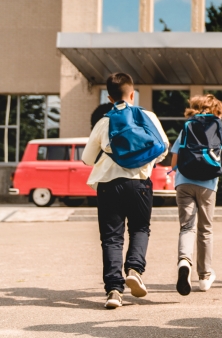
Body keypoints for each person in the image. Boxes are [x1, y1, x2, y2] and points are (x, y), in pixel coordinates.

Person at [82, 73, 169, 309]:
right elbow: (163, 147)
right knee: (140, 228)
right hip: (140, 183)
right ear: (133, 94)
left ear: (109, 97)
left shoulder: (104, 121)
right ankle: (134, 269)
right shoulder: (147, 116)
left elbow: (86, 159)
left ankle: (113, 291)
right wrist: (144, 162)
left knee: (111, 238)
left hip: (109, 185)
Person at [170, 94, 222, 295]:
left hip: (184, 182)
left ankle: (184, 262)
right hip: (208, 184)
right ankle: (204, 277)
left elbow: (174, 162)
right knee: (205, 229)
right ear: (217, 112)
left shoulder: (187, 126)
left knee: (187, 227)